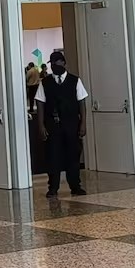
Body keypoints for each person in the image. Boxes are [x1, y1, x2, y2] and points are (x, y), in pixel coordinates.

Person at [36, 51, 88, 197]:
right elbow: (40, 103)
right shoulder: (45, 83)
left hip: (71, 123)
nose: (54, 66)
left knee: (73, 155)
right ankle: (53, 187)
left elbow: (82, 102)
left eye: (56, 63)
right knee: (53, 156)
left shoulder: (75, 81)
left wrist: (83, 123)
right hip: (53, 124)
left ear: (63, 63)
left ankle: (75, 186)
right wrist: (41, 125)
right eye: (51, 63)